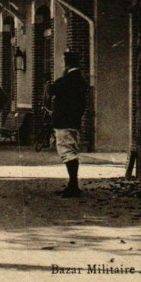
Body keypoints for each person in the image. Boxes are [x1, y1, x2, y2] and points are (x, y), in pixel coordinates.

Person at [47, 51, 88, 198]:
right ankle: (73, 184)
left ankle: (73, 185)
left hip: (63, 121)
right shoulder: (81, 81)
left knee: (67, 152)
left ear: (67, 64)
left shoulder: (64, 81)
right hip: (74, 121)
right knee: (72, 151)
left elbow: (51, 91)